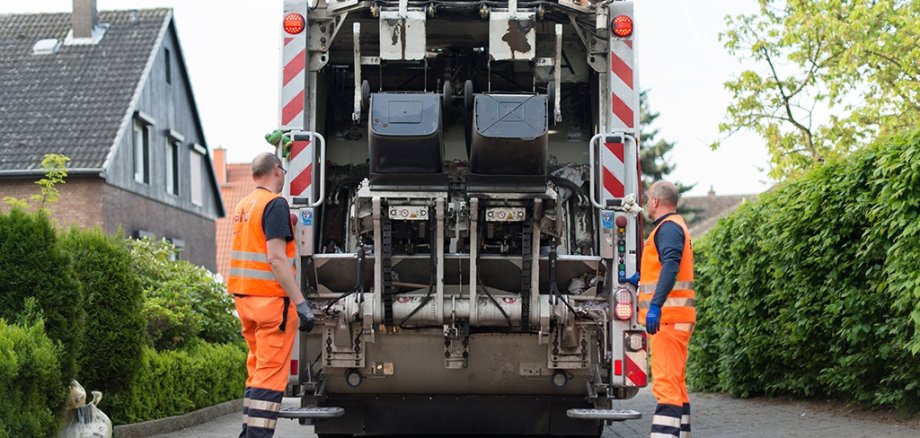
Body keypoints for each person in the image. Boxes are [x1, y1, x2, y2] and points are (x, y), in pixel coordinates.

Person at [228, 152, 316, 438]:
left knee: (257, 369)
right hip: (271, 303)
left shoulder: (244, 205)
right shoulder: (275, 204)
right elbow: (276, 258)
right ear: (277, 170)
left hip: (245, 300)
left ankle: (248, 433)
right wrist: (301, 303)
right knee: (270, 375)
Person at [623, 181, 695, 438]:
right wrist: (640, 281)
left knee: (665, 386)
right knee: (676, 383)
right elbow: (665, 269)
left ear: (655, 201)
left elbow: (671, 267)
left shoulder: (668, 229)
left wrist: (655, 306)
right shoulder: (673, 226)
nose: (646, 202)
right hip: (675, 318)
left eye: (648, 198)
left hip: (668, 319)